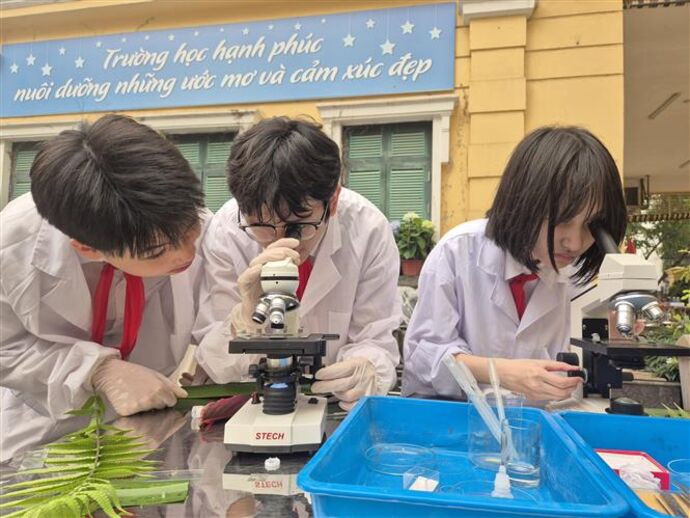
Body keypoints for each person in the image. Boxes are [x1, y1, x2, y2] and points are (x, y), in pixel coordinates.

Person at [0, 114, 209, 461]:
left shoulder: (173, 215)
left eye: (190, 229)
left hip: (149, 423)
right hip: (47, 426)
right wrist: (98, 370)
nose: (186, 253)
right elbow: (5, 348)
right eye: (155, 252)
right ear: (88, 248)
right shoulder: (12, 247)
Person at [402, 126, 627, 401]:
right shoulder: (457, 252)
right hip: (455, 419)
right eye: (562, 220)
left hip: (543, 421)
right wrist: (501, 372)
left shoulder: (578, 275)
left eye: (590, 225)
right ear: (524, 204)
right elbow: (425, 357)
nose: (575, 242)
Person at [194, 117, 401, 410]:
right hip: (256, 399)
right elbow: (215, 360)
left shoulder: (368, 230)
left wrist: (366, 367)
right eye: (261, 225)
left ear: (333, 200)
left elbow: (375, 337)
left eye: (297, 226)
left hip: (335, 401)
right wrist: (245, 315)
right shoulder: (228, 230)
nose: (280, 240)